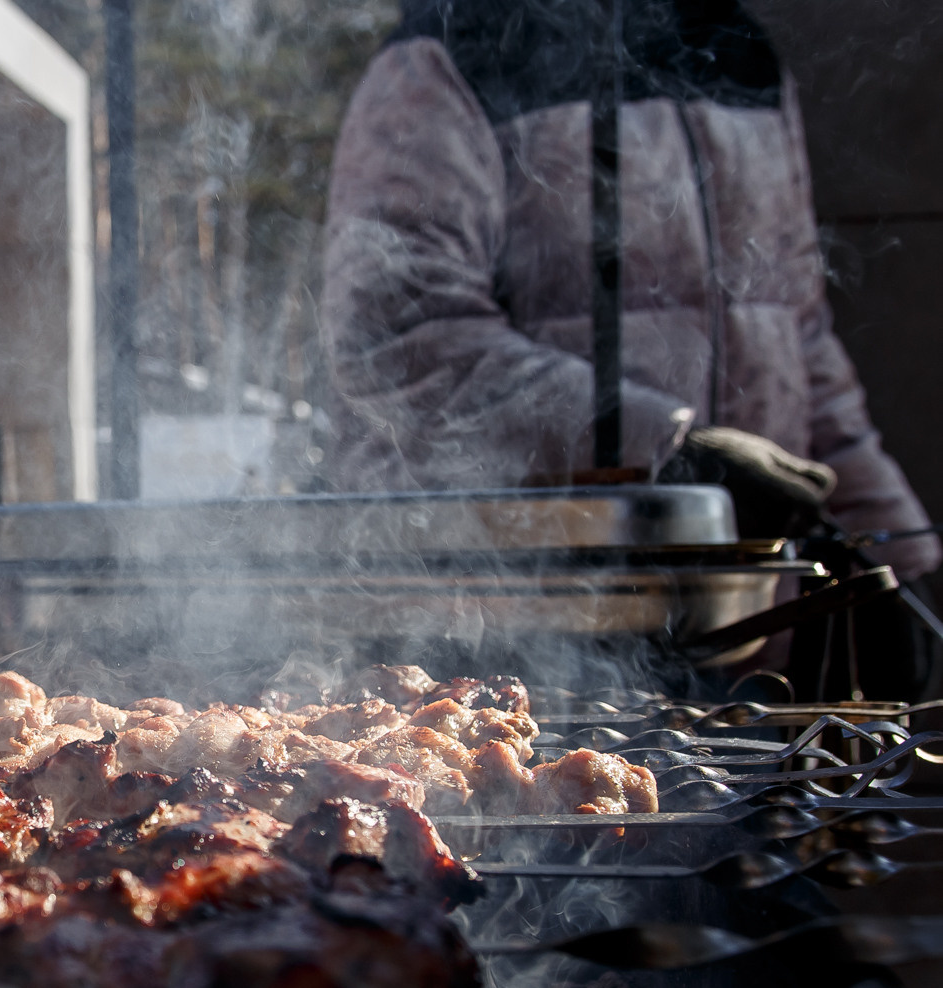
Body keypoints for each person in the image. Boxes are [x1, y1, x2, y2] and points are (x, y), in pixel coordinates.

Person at [321, 0, 939, 584]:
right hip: (530, 604)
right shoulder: (454, 51)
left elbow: (795, 330)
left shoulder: (740, 54)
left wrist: (894, 552)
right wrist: (667, 456)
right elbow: (400, 342)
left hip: (737, 610)